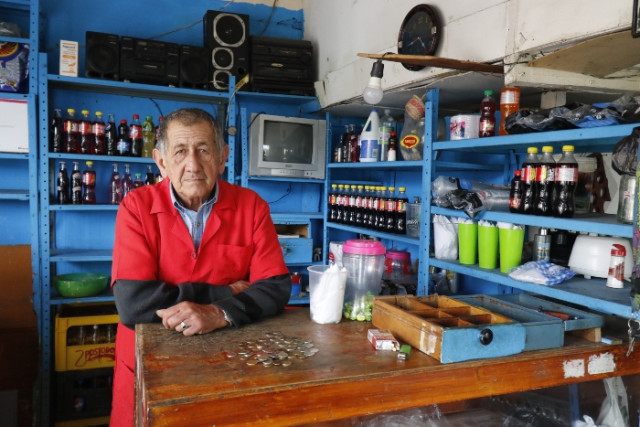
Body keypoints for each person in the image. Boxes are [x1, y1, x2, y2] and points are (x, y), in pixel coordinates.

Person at [109, 108, 291, 426]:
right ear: (161, 161)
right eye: (180, 151)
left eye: (203, 150)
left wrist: (218, 313)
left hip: (230, 366)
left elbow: (275, 287)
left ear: (223, 158)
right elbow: (134, 302)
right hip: (152, 369)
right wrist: (223, 293)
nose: (192, 165)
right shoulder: (136, 207)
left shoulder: (252, 207)